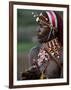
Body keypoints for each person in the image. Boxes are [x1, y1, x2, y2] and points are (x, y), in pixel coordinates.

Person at [22, 11, 63, 80]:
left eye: (42, 26)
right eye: (38, 25)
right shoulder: (34, 52)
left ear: (53, 29)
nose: (37, 30)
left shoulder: (64, 55)